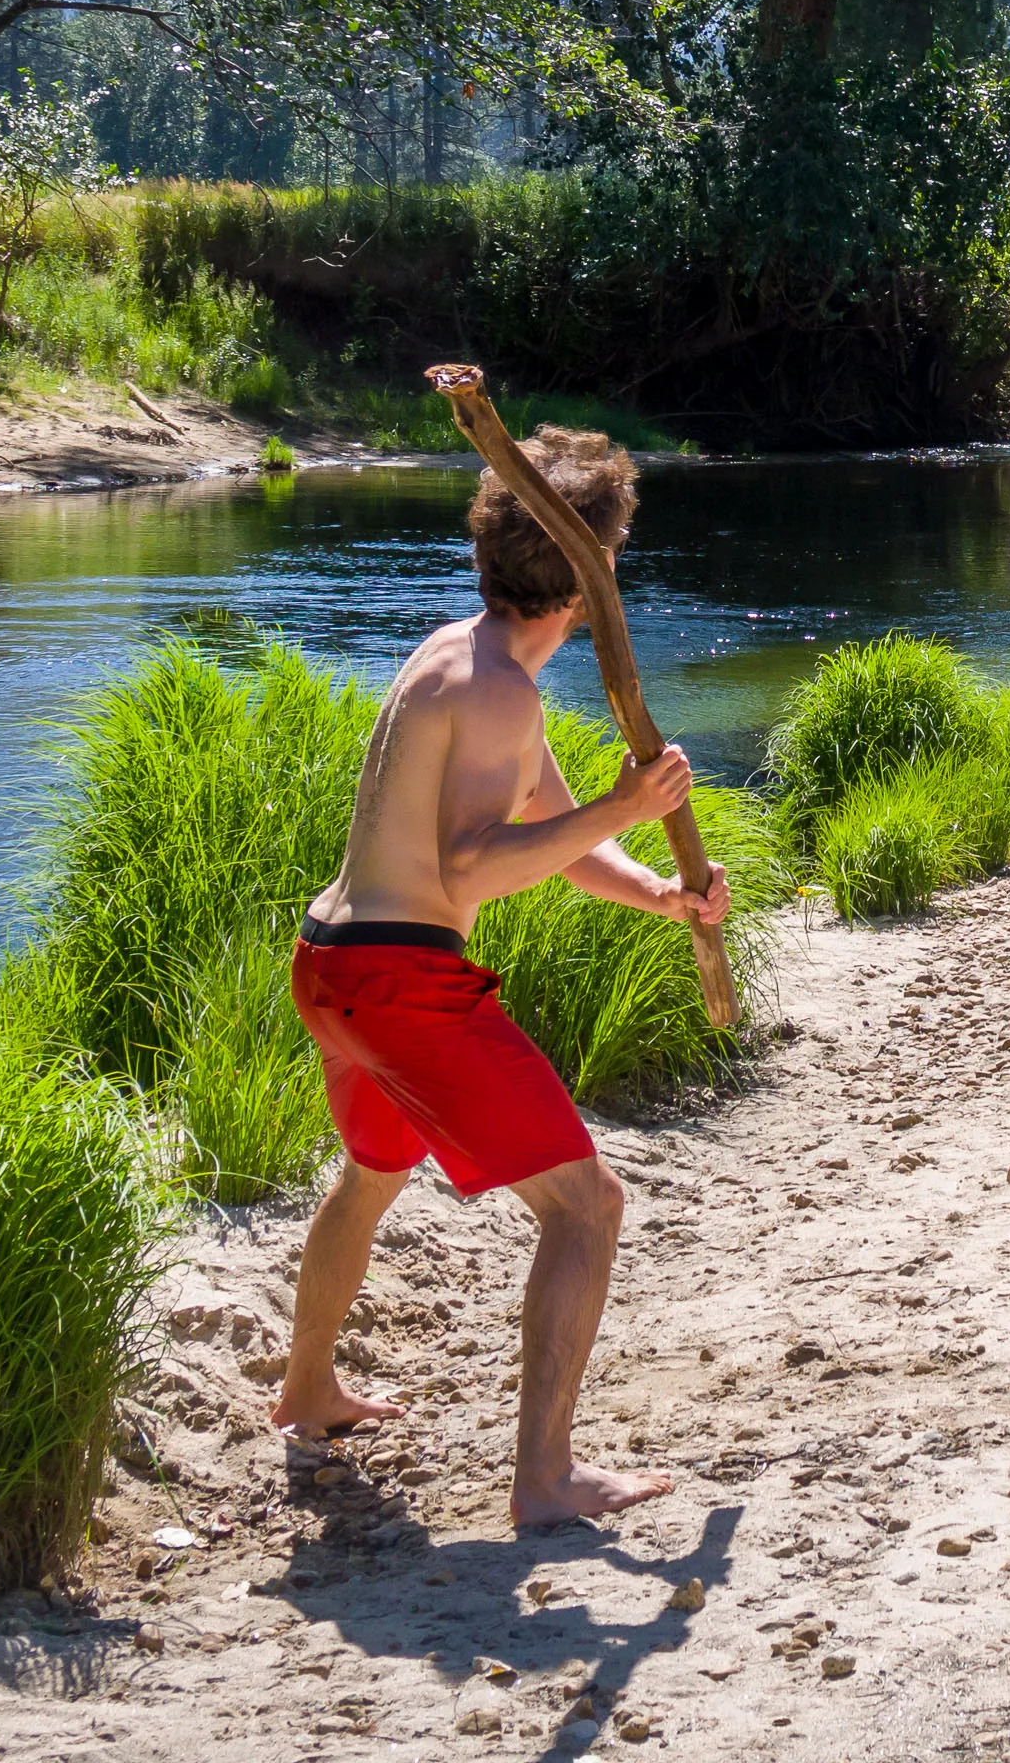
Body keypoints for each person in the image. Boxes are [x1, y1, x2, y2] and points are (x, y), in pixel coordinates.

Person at [270, 427, 730, 1526]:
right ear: (592, 577)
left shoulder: (457, 654)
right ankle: (545, 1477)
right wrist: (628, 805)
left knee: (371, 1173)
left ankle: (305, 1388)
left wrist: (664, 894)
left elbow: (559, 840)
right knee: (588, 1207)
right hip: (400, 980)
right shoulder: (497, 695)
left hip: (329, 965)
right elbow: (471, 862)